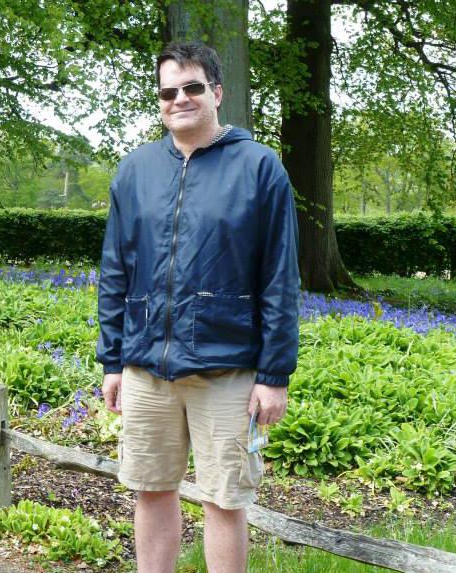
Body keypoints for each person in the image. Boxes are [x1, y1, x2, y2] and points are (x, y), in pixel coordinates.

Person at [96, 42, 299, 573]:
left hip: (226, 368)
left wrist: (274, 374)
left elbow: (280, 278)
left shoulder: (260, 168)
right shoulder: (135, 170)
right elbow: (115, 270)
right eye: (168, 92)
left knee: (224, 500)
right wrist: (112, 360)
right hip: (147, 368)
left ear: (217, 93)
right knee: (150, 490)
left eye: (192, 87)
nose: (179, 99)